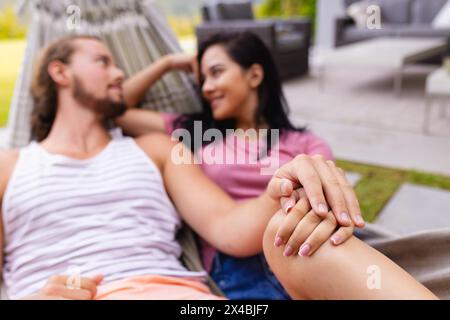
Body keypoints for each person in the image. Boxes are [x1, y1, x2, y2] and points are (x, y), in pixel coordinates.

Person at [0, 35, 435, 300]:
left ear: (255, 76)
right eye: (103, 62)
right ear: (60, 71)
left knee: (288, 233)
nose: (118, 73)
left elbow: (229, 225)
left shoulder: (159, 149)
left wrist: (279, 186)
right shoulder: (8, 166)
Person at [116, 32, 357, 299]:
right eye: (203, 79)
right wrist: (168, 63)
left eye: (216, 73)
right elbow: (117, 110)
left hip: (304, 251)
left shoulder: (307, 144)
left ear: (254, 75)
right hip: (239, 266)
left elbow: (325, 199)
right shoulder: (194, 132)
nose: (206, 88)